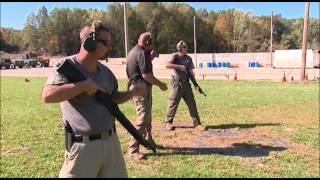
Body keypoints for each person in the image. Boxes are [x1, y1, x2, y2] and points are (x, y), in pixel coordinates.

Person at [41, 20, 146, 178]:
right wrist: (81, 86)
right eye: (106, 43)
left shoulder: (106, 73)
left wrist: (132, 92)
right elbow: (47, 95)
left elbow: (112, 99)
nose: (110, 47)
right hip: (82, 147)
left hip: (111, 143)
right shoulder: (67, 66)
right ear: (89, 43)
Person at [126, 32, 168, 160]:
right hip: (140, 88)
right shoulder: (142, 53)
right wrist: (160, 84)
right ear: (148, 43)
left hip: (139, 87)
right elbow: (146, 76)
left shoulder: (137, 51)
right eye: (151, 44)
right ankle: (133, 149)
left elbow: (139, 67)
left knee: (147, 116)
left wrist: (151, 58)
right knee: (143, 117)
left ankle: (148, 140)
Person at [164, 40, 206, 131]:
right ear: (180, 48)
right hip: (176, 83)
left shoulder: (188, 58)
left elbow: (191, 72)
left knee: (192, 104)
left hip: (186, 83)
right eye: (185, 47)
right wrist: (179, 67)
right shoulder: (174, 56)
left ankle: (197, 123)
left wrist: (195, 84)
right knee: (173, 103)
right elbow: (167, 65)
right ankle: (168, 122)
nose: (186, 48)